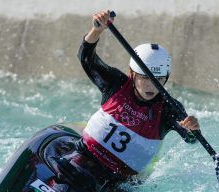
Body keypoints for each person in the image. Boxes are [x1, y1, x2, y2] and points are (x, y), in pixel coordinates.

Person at [73, 10, 201, 181]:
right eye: (145, 77)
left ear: (166, 78)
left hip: (120, 182)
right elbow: (86, 58)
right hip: (85, 157)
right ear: (132, 74)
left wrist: (193, 129)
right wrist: (97, 30)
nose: (151, 85)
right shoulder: (116, 83)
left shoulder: (169, 107)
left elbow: (191, 139)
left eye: (158, 79)